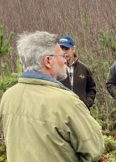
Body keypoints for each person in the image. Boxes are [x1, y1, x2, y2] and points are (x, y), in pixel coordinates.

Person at [0, 31, 104, 161]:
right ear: (48, 61)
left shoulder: (8, 96)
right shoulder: (67, 102)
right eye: (61, 55)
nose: (65, 60)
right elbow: (94, 150)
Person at [59, 35, 96, 109]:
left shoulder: (84, 69)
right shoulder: (56, 70)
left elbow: (92, 89)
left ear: (73, 49)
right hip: (62, 112)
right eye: (61, 49)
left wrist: (87, 103)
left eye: (66, 49)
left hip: (81, 111)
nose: (64, 52)